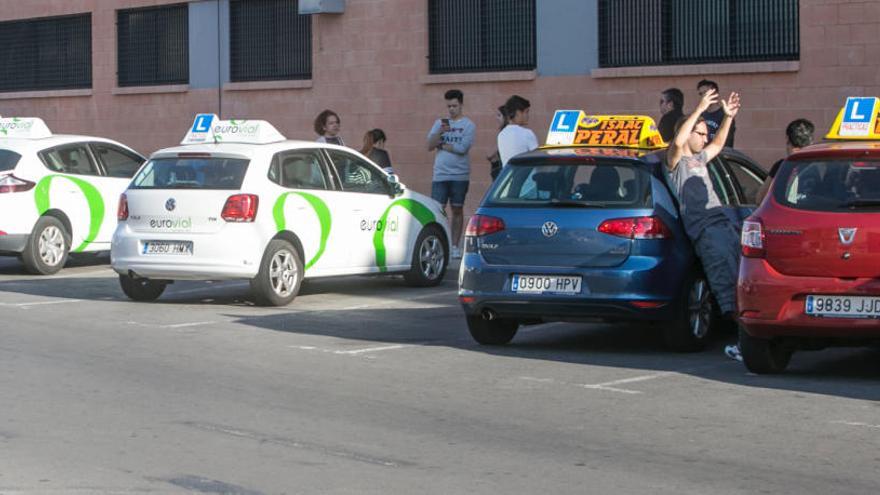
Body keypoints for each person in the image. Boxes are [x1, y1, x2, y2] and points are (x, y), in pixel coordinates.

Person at [667, 88, 743, 361]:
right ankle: (745, 344)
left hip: (724, 227)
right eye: (700, 133)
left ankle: (750, 339)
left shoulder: (699, 159)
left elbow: (718, 146)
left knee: (740, 285)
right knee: (727, 289)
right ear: (687, 133)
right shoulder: (676, 162)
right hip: (708, 234)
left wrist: (727, 117)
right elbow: (677, 143)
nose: (705, 137)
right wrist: (698, 109)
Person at [426, 89, 476, 259]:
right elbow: (429, 145)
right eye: (449, 106)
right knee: (437, 210)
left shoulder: (468, 125)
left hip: (459, 175)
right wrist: (439, 133)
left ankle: (455, 245)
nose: (451, 109)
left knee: (457, 209)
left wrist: (443, 146)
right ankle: (440, 243)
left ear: (461, 104)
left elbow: (463, 149)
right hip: (440, 175)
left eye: (454, 105)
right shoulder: (440, 123)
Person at [755, 119, 815, 204]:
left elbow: (761, 199)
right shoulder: (817, 167)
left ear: (787, 138)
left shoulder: (781, 166)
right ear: (810, 141)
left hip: (783, 215)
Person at [497, 95, 538, 167]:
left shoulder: (501, 135)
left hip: (509, 177)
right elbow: (537, 161)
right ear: (518, 113)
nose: (528, 116)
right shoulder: (527, 133)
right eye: (526, 112)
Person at [697, 80, 736, 147]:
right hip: (703, 155)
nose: (703, 96)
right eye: (701, 94)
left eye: (705, 92)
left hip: (721, 154)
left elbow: (727, 140)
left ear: (715, 93)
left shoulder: (725, 114)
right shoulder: (700, 115)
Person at [486, 105, 509, 180]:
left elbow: (490, 154)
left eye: (499, 115)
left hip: (502, 171)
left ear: (505, 117)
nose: (497, 118)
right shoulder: (503, 132)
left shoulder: (505, 133)